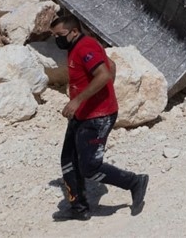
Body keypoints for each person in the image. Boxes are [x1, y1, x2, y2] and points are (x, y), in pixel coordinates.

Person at [50, 12, 148, 221]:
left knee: (89, 166)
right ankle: (78, 207)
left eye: (60, 35)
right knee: (69, 159)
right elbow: (110, 66)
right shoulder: (77, 45)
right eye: (54, 35)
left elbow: (104, 73)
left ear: (74, 32)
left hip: (97, 116)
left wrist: (79, 100)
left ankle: (134, 182)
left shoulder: (85, 47)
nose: (57, 39)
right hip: (82, 114)